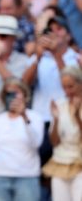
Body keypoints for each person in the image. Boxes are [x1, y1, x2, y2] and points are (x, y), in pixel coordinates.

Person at [0, 77, 44, 201]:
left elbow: (36, 143)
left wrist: (24, 117)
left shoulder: (35, 117)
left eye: (15, 92)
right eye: (8, 93)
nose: (12, 97)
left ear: (24, 94)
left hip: (27, 178)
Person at [42, 66, 82, 201]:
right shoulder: (60, 105)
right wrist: (56, 119)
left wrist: (77, 116)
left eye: (70, 86)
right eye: (64, 87)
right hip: (60, 161)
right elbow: (54, 142)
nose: (67, 91)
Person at [0, 15, 32, 115]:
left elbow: (14, 85)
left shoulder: (23, 61)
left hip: (13, 115)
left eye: (3, 36)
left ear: (13, 39)